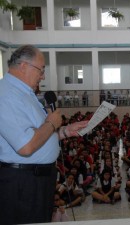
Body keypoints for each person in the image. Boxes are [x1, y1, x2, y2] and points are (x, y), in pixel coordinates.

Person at [0, 45, 88, 224]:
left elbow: (38, 135)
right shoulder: (6, 94)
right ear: (24, 66)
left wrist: (64, 131)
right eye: (41, 70)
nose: (43, 76)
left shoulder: (24, 93)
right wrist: (52, 123)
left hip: (37, 180)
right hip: (22, 182)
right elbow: (26, 146)